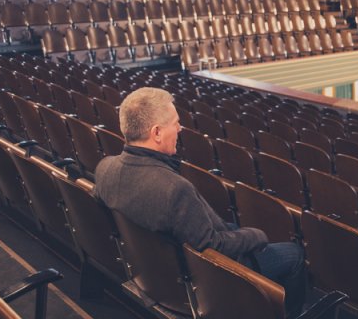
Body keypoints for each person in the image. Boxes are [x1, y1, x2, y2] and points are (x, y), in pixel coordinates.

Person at [94, 87, 305, 316]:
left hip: (151, 272)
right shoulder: (173, 189)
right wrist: (256, 236)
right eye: (175, 123)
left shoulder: (105, 169)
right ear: (156, 133)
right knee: (294, 254)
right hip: (207, 280)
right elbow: (213, 248)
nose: (179, 128)